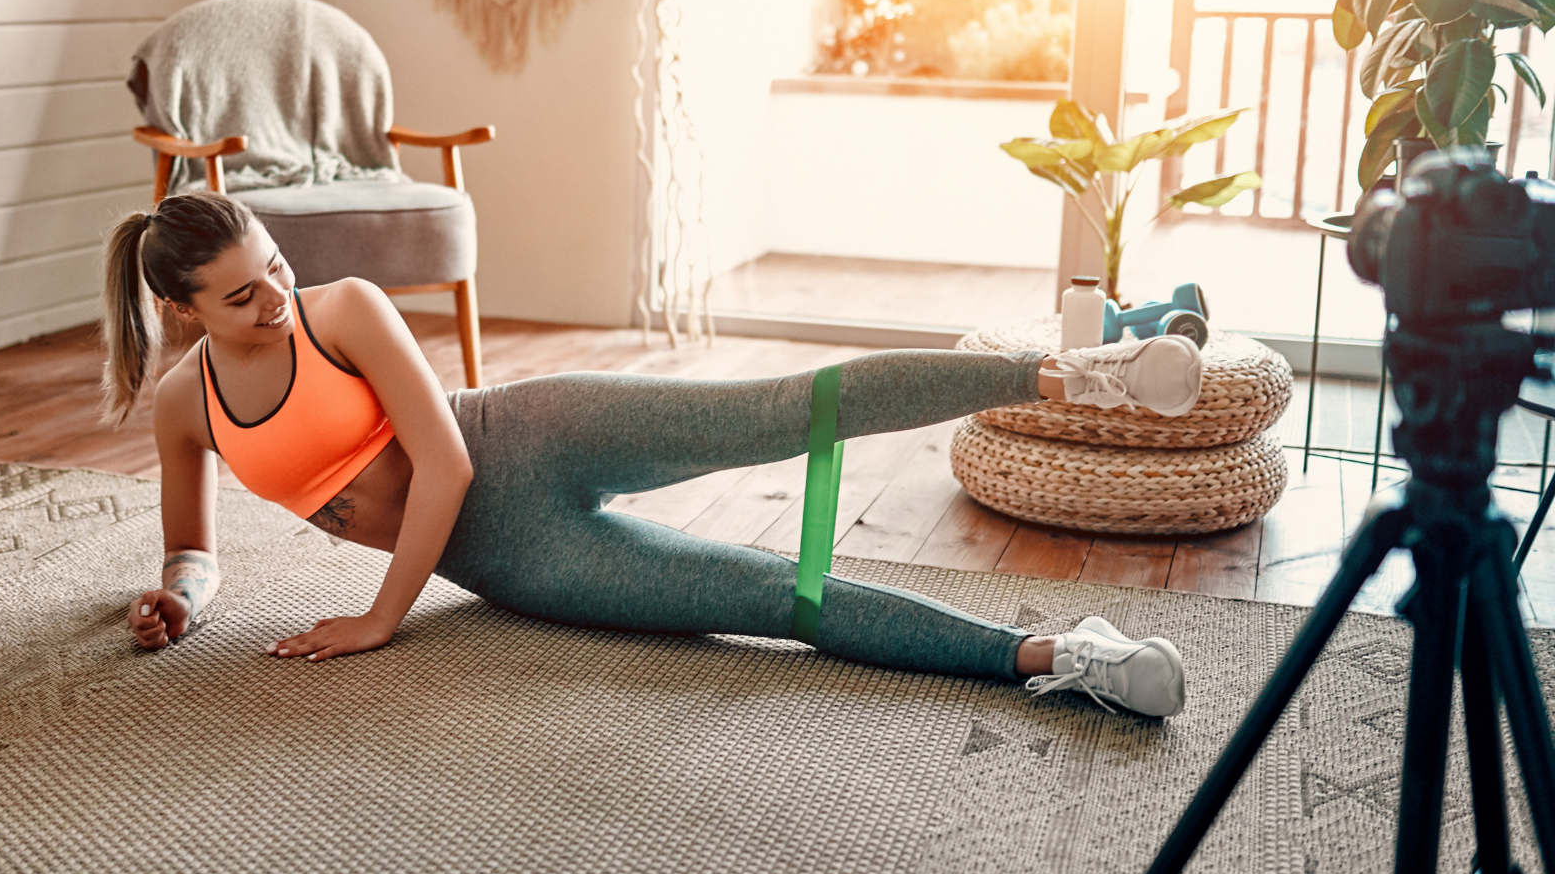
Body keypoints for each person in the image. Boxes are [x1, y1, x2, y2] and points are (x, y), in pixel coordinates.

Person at [102, 192, 1204, 718]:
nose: (276, 296)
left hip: (527, 432)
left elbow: (444, 463)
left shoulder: (344, 308)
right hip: (512, 558)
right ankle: (1058, 657)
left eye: (276, 265)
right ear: (183, 310)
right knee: (778, 601)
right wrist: (179, 599)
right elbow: (193, 551)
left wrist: (379, 618)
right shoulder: (185, 407)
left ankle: (1080, 372)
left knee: (784, 409)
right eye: (242, 296)